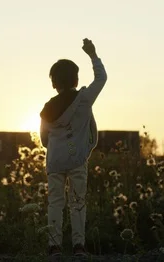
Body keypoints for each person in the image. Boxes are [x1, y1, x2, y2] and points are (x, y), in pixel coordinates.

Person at [39, 38, 107, 258]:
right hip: (77, 159)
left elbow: (43, 139)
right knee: (77, 202)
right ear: (76, 79)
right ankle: (79, 247)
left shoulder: (47, 110)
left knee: (55, 204)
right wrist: (93, 55)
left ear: (53, 83)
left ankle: (54, 247)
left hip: (55, 161)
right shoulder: (85, 99)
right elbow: (102, 78)